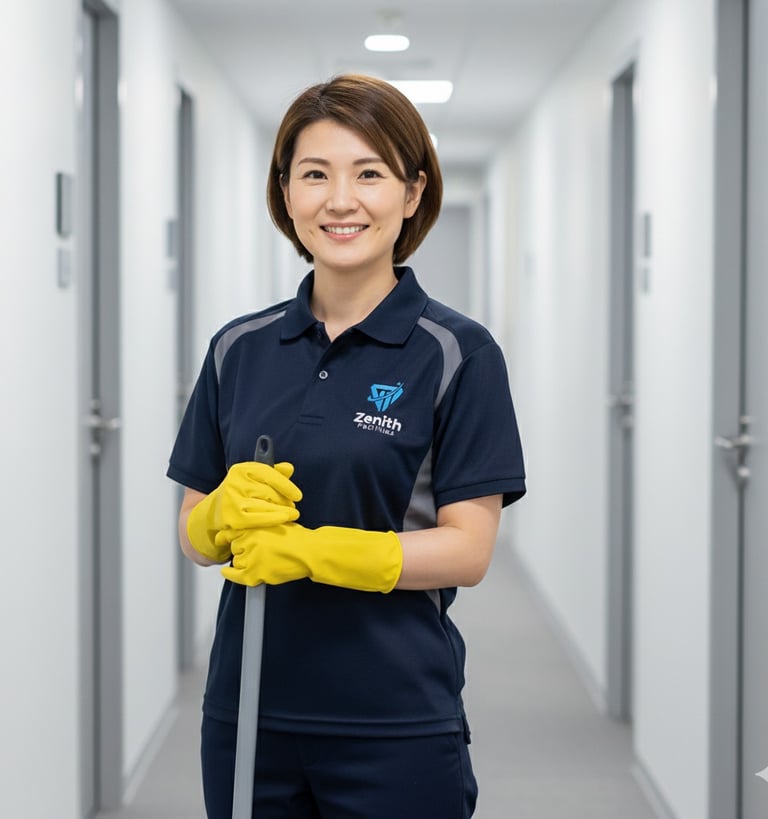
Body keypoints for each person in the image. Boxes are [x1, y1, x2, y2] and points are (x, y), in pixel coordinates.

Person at [168, 73, 526, 819]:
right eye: (314, 174)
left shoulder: (458, 353)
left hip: (393, 718)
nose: (339, 200)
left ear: (413, 191)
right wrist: (215, 519)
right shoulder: (239, 348)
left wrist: (313, 551)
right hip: (248, 712)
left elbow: (468, 550)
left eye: (369, 174)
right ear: (285, 192)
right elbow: (195, 532)